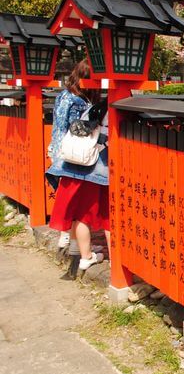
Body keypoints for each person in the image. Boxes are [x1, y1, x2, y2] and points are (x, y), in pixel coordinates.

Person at [46, 59, 110, 272]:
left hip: (67, 156)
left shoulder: (65, 95)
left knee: (76, 211)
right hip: (85, 161)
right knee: (91, 213)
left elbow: (61, 127)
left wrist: (55, 151)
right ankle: (81, 250)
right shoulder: (85, 103)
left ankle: (75, 248)